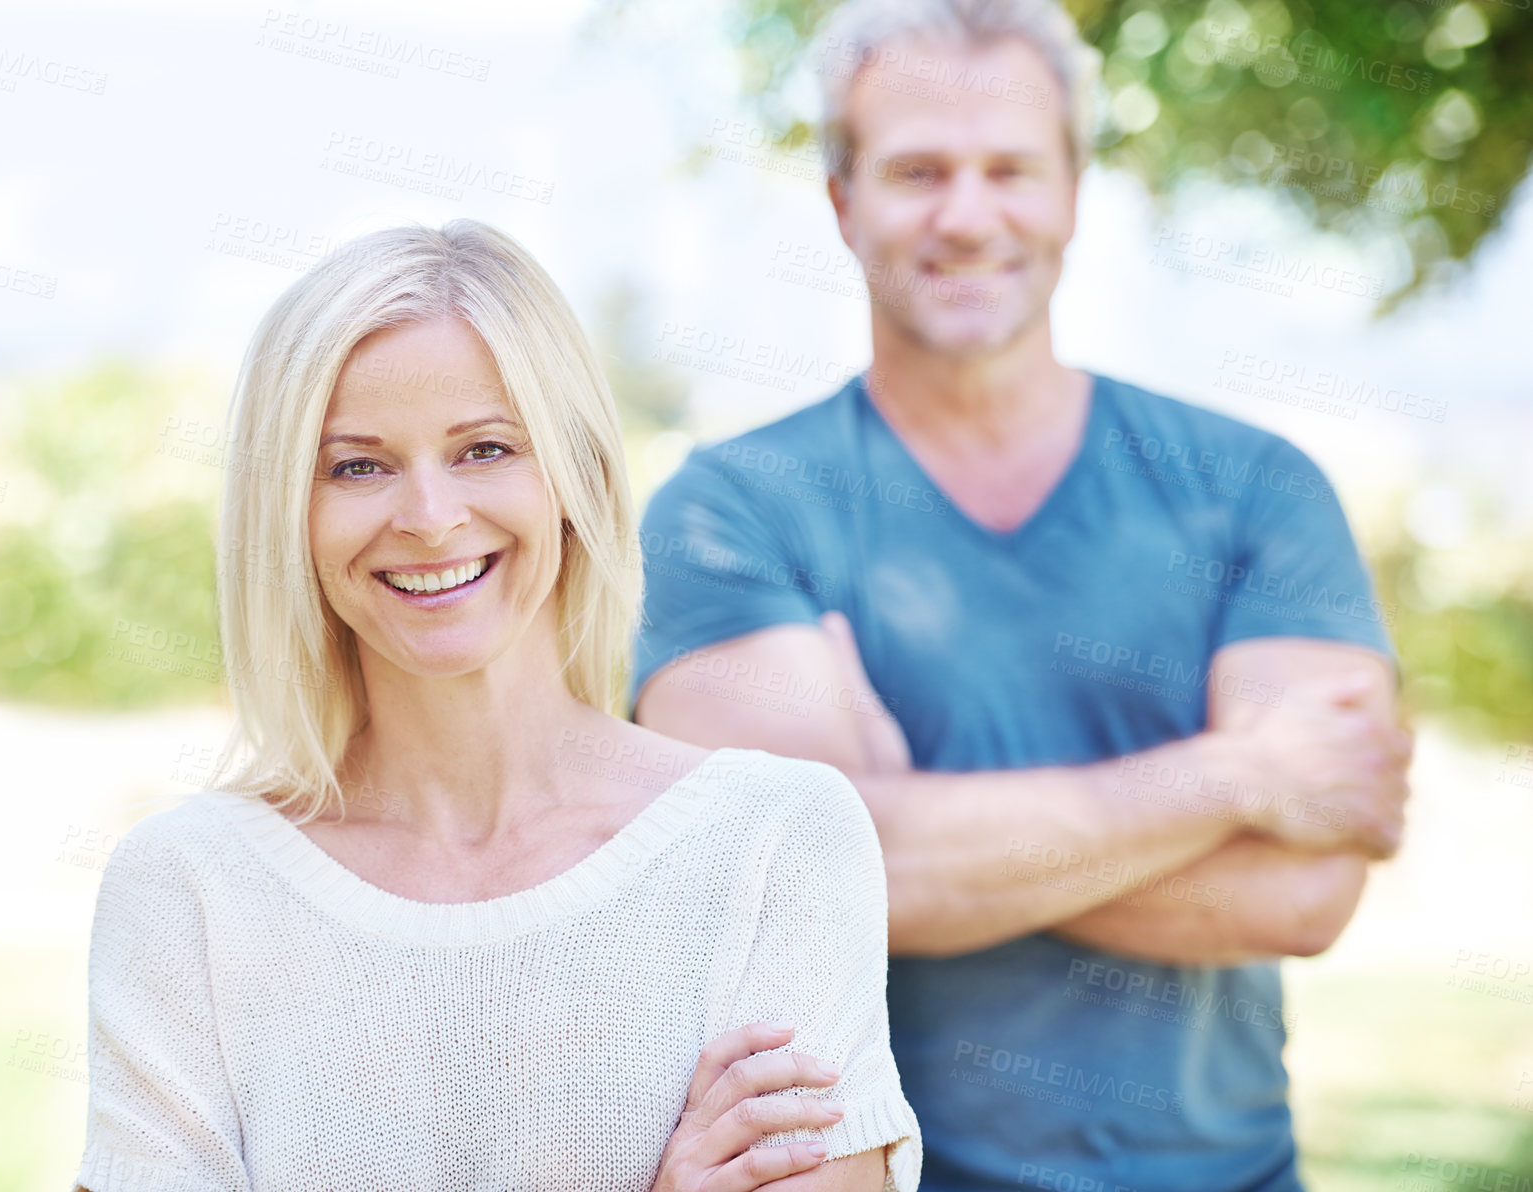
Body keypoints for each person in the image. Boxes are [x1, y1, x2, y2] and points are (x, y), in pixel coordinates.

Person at [630, 2, 1411, 1190]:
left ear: (1075, 192)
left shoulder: (1253, 488)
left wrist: (903, 830)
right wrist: (1238, 777)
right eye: (916, 171)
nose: (966, 213)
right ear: (840, 202)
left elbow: (1303, 890)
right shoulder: (733, 507)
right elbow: (783, 877)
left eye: (1009, 170)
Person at [74, 221, 921, 1192]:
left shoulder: (776, 843)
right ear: (286, 512)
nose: (429, 516)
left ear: (574, 475)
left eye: (483, 449)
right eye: (357, 464)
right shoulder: (187, 891)